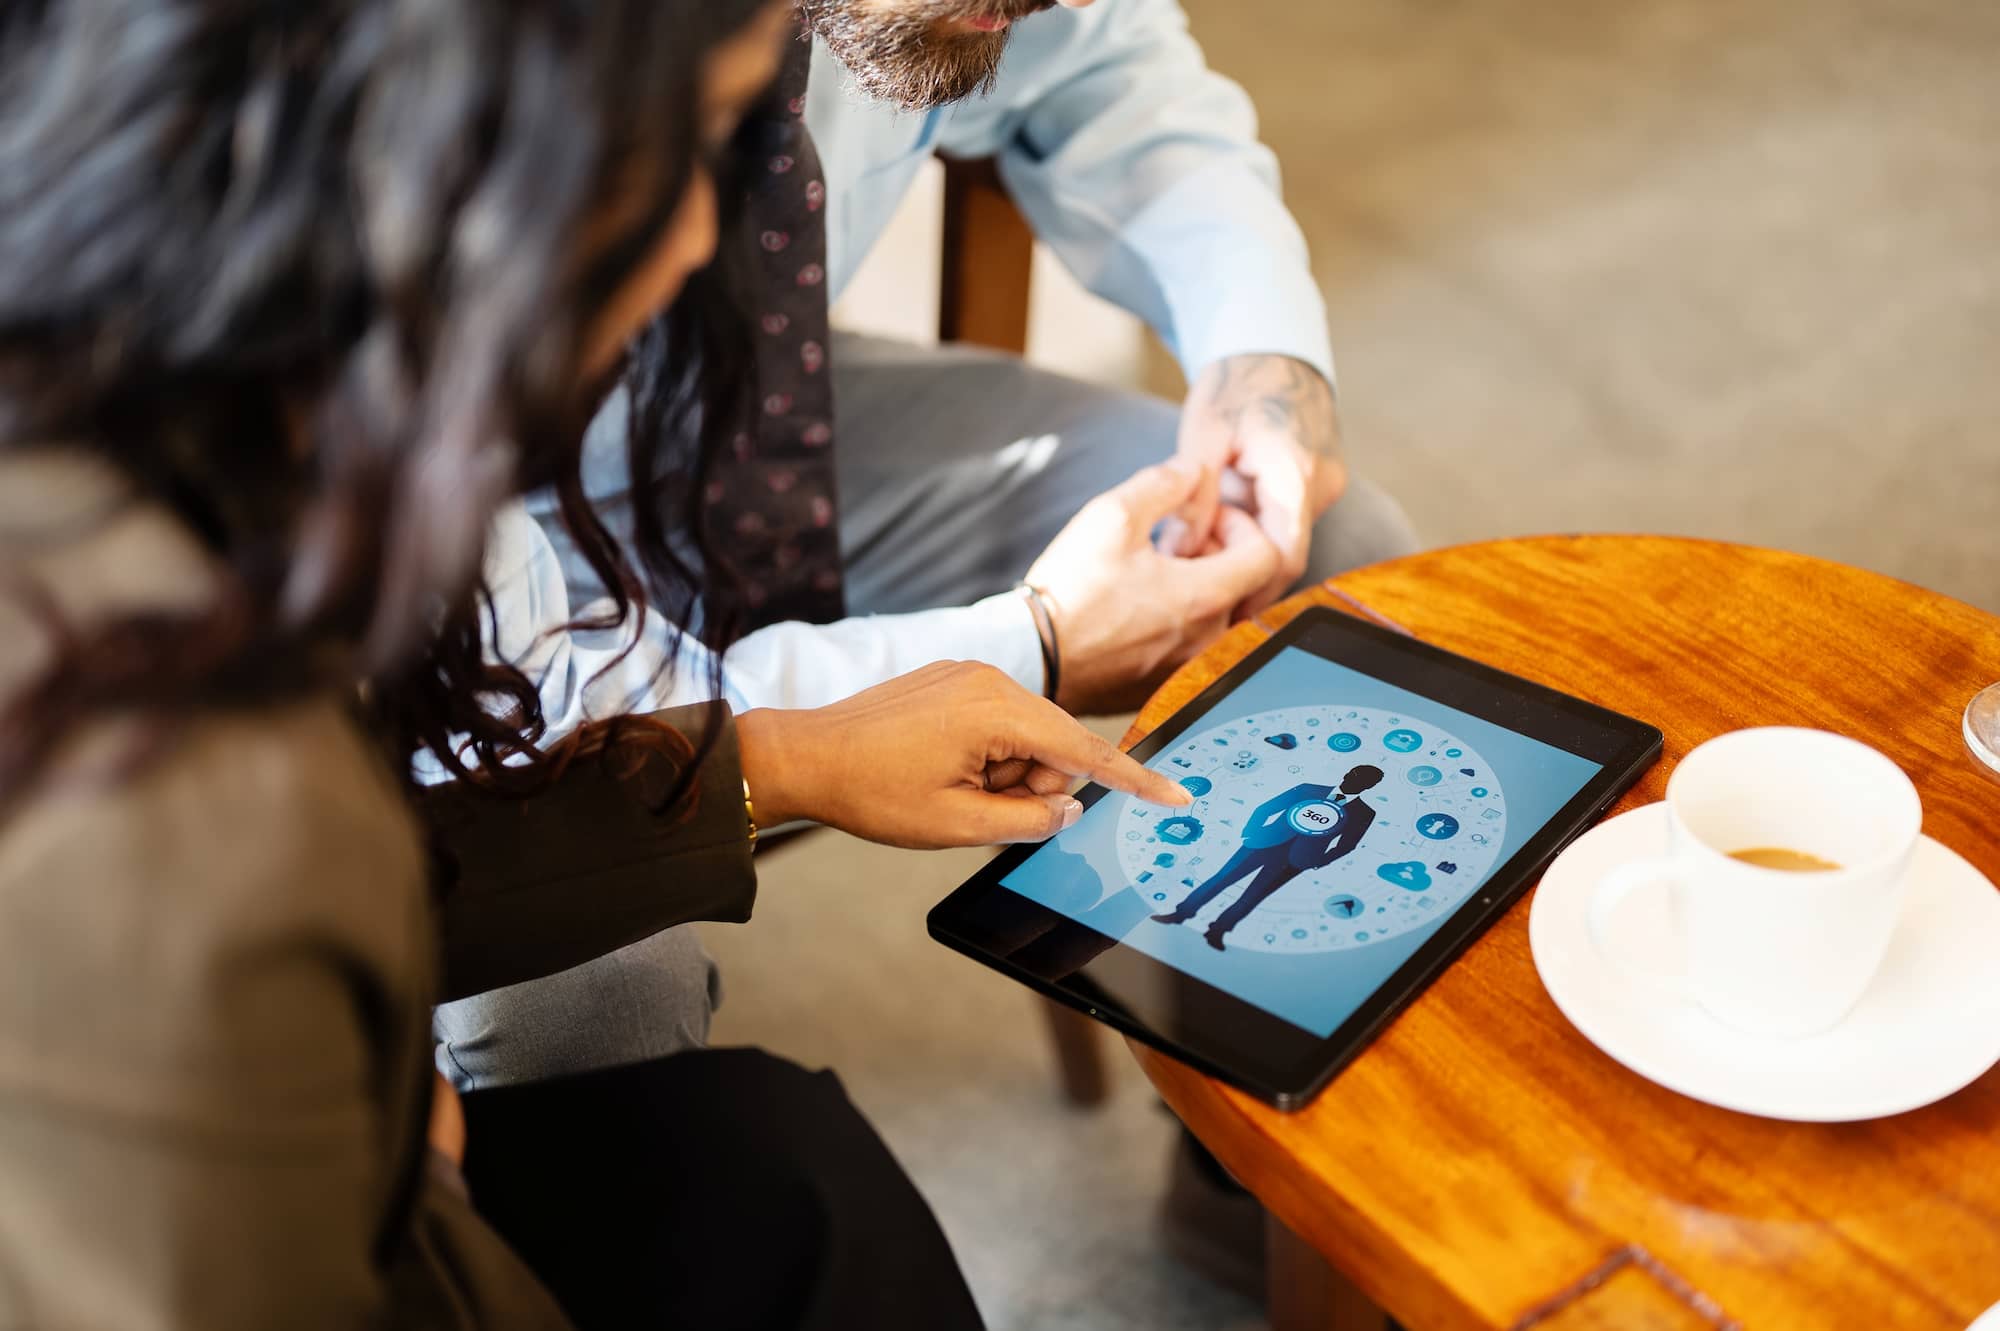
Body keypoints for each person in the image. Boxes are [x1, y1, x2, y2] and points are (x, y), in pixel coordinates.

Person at [0, 1, 1193, 1325]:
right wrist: (419, 1178)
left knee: (795, 1174)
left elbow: (456, 791)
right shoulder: (177, 794)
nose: (703, 234)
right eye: (691, 140)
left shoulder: (259, 428)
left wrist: (785, 761)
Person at [440, 0, 1421, 1091]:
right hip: (460, 534)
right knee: (582, 992)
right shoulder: (410, 89)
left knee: (1333, 564)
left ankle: (1254, 1153)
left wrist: (1261, 362)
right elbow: (554, 723)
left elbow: (1104, 71)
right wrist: (1032, 646)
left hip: (773, 410)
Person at [1152, 764, 1384, 949]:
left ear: (1370, 787)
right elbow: (1267, 808)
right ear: (1346, 773)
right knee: (1221, 879)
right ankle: (1180, 914)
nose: (1355, 781)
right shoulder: (1308, 789)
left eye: (1364, 780)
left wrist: (1317, 862)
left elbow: (1347, 845)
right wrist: (1250, 833)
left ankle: (1218, 931)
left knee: (1254, 896)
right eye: (1355, 775)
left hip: (1296, 860)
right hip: (1262, 843)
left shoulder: (1363, 813)